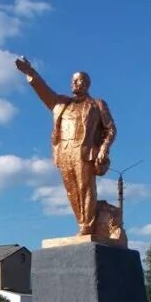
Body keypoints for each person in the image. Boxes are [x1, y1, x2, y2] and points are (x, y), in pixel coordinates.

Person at [15, 57, 116, 235]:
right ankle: (81, 223)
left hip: (84, 152)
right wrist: (30, 72)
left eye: (78, 80)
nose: (73, 83)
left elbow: (110, 129)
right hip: (65, 152)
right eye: (72, 80)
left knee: (85, 188)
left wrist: (103, 149)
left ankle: (87, 225)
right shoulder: (61, 103)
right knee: (71, 191)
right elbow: (44, 91)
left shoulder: (96, 104)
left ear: (86, 84)